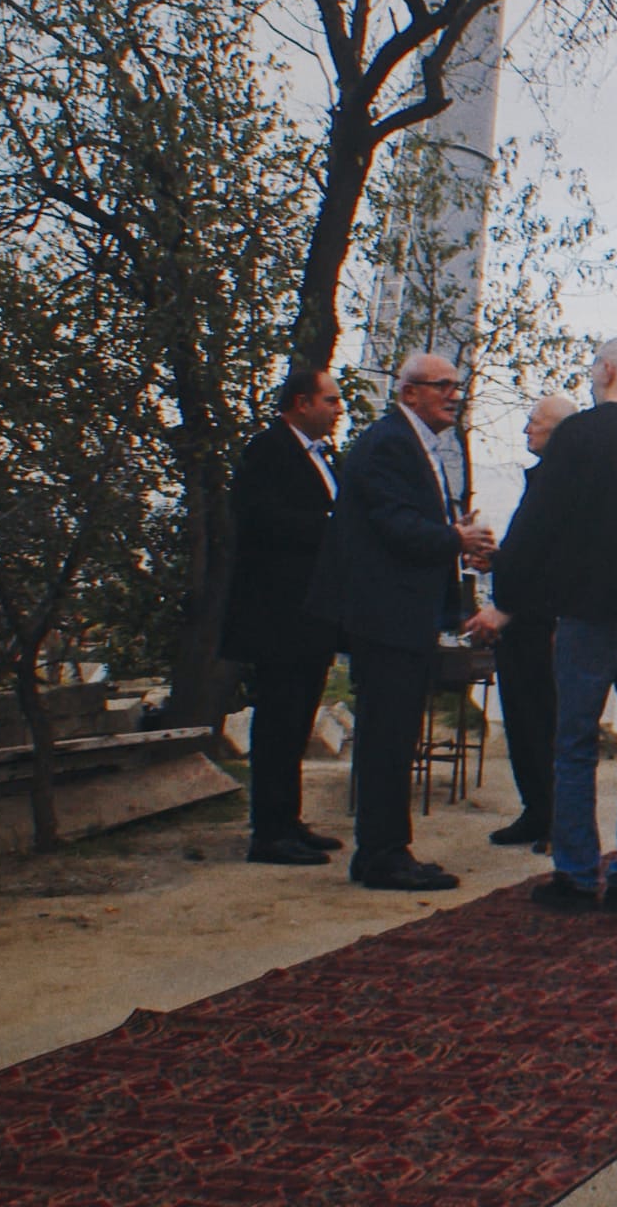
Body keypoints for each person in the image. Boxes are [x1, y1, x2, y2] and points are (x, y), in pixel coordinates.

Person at [465, 336, 617, 916]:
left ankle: (577, 873)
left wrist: (510, 596)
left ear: (606, 371)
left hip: (587, 612)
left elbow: (536, 526)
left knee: (574, 742)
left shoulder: (577, 438)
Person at [303, 352, 496, 891]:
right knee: (389, 736)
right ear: (409, 393)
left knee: (393, 734)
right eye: (442, 387)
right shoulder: (390, 443)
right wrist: (454, 539)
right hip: (385, 614)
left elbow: (412, 523)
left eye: (458, 386)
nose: (454, 396)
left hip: (397, 613)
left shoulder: (414, 443)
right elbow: (395, 525)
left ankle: (383, 851)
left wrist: (456, 542)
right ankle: (385, 855)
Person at [223, 367, 347, 866]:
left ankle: (289, 819)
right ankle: (268, 832)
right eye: (331, 400)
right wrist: (332, 528)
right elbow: (259, 519)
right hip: (277, 613)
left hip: (311, 612)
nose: (339, 409)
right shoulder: (268, 449)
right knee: (277, 720)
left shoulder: (323, 457)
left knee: (298, 719)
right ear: (301, 403)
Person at [481, 394, 575, 852]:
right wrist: (498, 561)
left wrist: (513, 602)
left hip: (540, 620)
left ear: (557, 432)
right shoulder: (544, 480)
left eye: (533, 423)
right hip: (522, 620)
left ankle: (557, 817)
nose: (525, 431)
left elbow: (554, 560)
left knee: (545, 721)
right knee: (523, 720)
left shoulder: (564, 484)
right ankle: (536, 810)